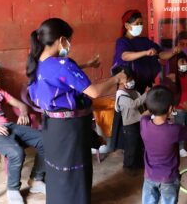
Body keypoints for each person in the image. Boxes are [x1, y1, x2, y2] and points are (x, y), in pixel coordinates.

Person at [26, 18, 125, 204]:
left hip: (52, 127)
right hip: (69, 130)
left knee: (58, 173)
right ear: (61, 39)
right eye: (69, 40)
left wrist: (86, 65)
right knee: (75, 172)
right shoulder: (62, 64)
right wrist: (116, 79)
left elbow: (60, 75)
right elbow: (94, 92)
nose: (69, 44)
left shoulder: (37, 60)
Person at [0, 60, 45, 204]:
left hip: (10, 126)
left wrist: (22, 112)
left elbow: (21, 104)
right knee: (16, 152)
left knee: (47, 141)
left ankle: (36, 180)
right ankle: (13, 190)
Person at [140, 85, 187, 204]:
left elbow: (144, 115)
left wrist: (152, 106)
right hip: (169, 177)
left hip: (149, 176)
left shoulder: (144, 124)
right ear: (170, 109)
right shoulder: (174, 130)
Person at [113, 9, 179, 94]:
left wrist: (173, 52)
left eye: (141, 24)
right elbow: (125, 56)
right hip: (129, 86)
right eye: (137, 24)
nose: (140, 26)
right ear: (127, 25)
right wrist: (145, 53)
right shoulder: (122, 41)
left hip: (146, 86)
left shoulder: (145, 41)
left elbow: (160, 54)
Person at [114, 65, 147, 175]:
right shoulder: (121, 95)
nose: (132, 82)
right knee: (130, 147)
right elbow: (133, 104)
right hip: (129, 125)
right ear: (120, 81)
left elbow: (140, 103)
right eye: (129, 80)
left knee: (138, 145)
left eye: (132, 79)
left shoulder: (133, 91)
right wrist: (146, 95)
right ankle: (128, 166)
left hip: (138, 122)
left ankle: (138, 164)